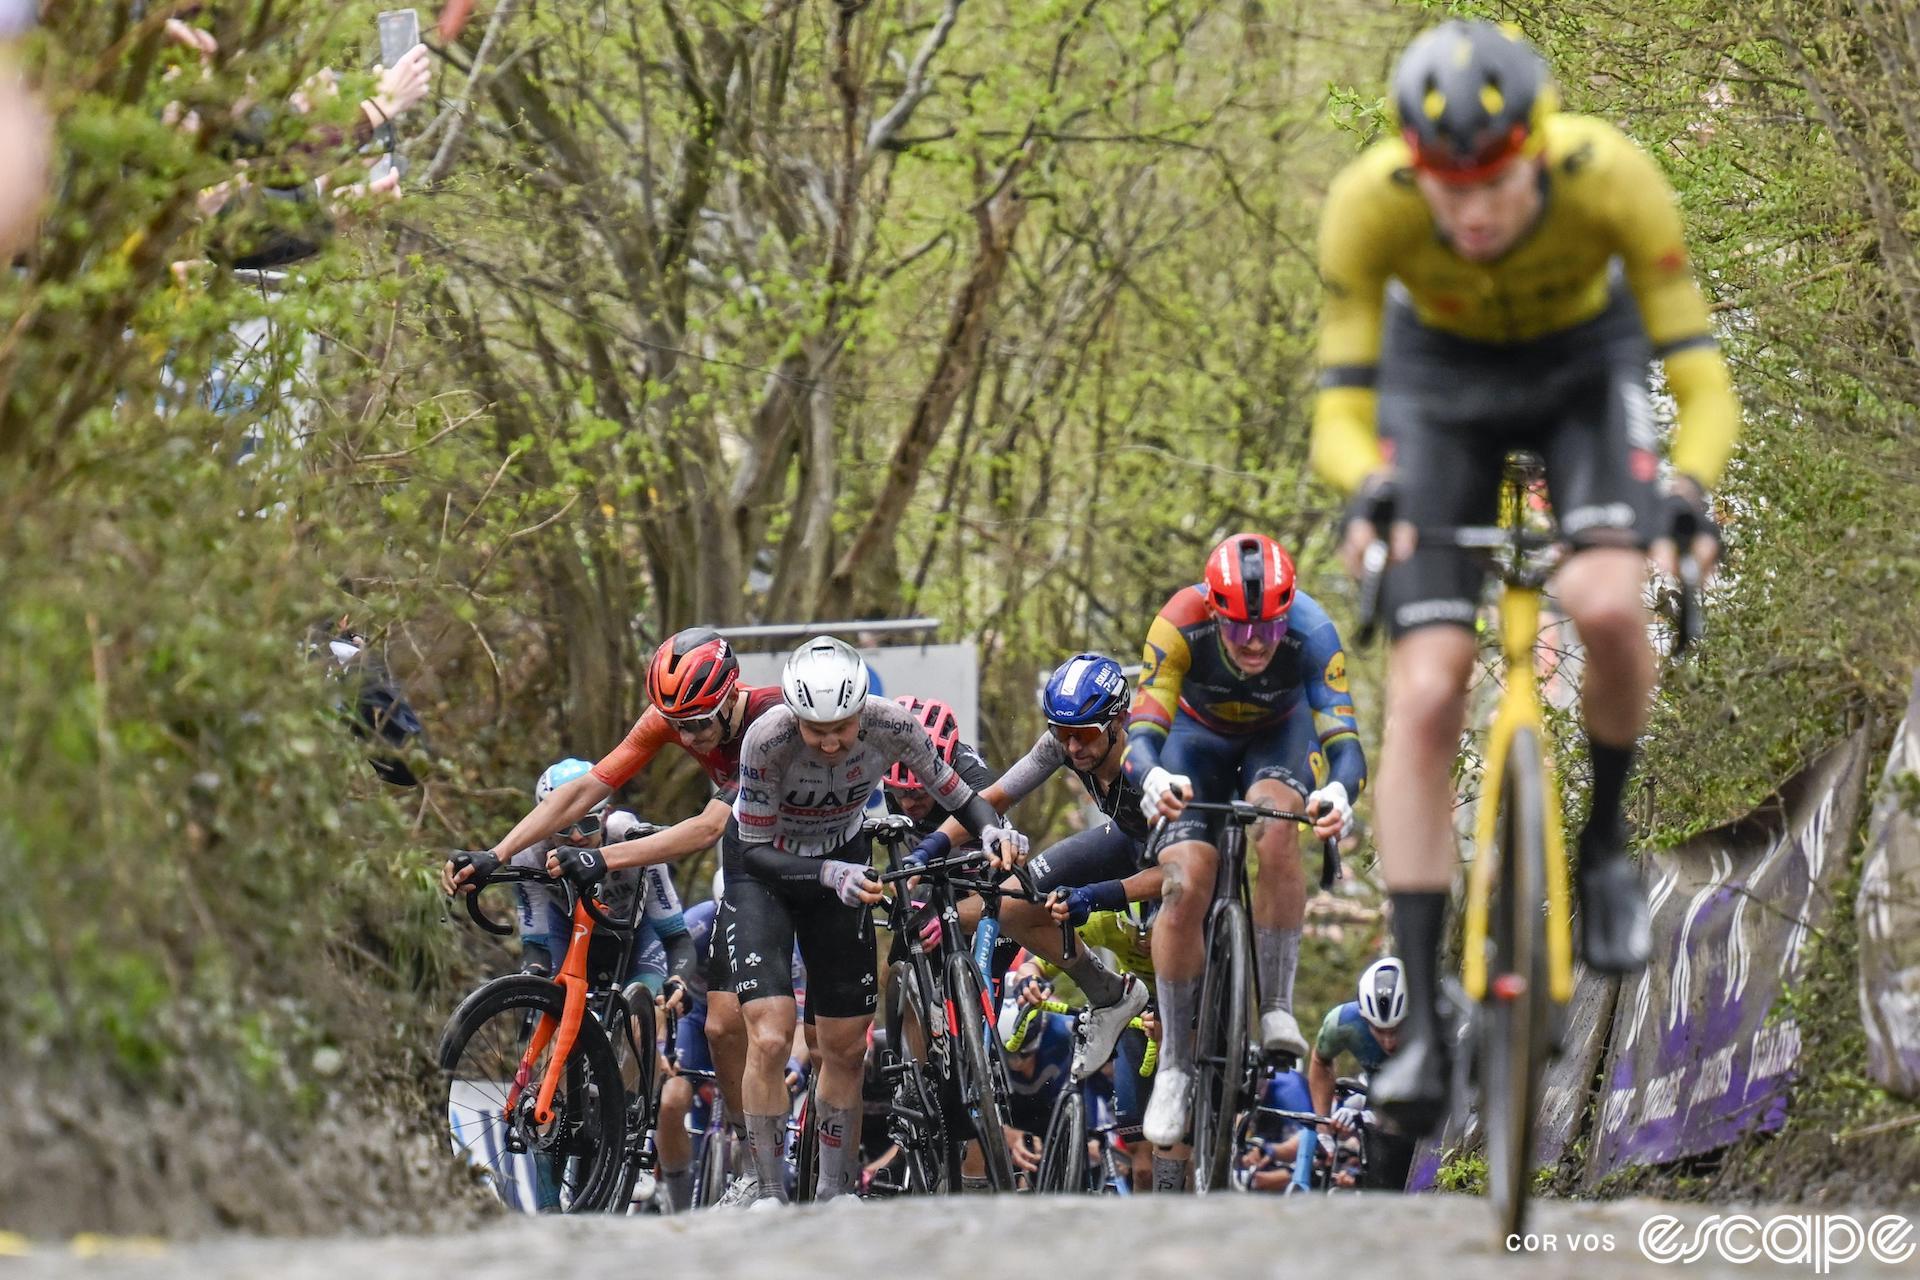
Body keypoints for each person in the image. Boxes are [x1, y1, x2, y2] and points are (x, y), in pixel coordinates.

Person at [1310, 18, 1739, 1136]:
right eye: (1449, 186)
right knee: (1426, 683)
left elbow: (1701, 378)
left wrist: (1685, 489)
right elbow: (1343, 408)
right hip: (1437, 390)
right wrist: (1370, 489)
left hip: (1577, 376)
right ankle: (1421, 1010)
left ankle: (1600, 847)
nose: (1475, 209)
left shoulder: (1610, 177)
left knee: (1603, 597)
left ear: (1537, 145)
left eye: (1496, 178)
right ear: (1415, 164)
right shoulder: (1371, 202)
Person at [724, 636, 1026, 1205]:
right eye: (817, 729)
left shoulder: (895, 725)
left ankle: (835, 1193)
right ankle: (766, 1192)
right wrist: (827, 875)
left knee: (844, 1048)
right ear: (795, 714)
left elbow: (959, 795)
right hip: (766, 874)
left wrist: (991, 828)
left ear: (864, 706)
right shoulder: (767, 739)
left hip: (843, 860)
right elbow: (755, 849)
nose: (833, 739)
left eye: (843, 723)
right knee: (768, 1036)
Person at [1126, 533, 1366, 1153]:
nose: (1256, 641)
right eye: (1237, 629)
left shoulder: (1313, 633)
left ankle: (1277, 1006)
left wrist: (1338, 795)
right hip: (1193, 742)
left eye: (1268, 626)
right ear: (1212, 609)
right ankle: (1176, 1066)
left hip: (1277, 739)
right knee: (1183, 884)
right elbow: (1142, 729)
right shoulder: (1179, 623)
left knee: (1279, 827)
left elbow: (1344, 741)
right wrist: (1152, 775)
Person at [911, 653, 1157, 1082]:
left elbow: (1174, 875)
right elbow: (994, 798)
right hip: (1126, 839)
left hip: (1178, 859)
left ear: (1119, 721)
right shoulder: (1063, 745)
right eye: (1061, 732)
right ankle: (1109, 995)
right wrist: (934, 844)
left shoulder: (1147, 757)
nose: (1073, 747)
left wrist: (1096, 896)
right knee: (1009, 899)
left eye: (1082, 734)